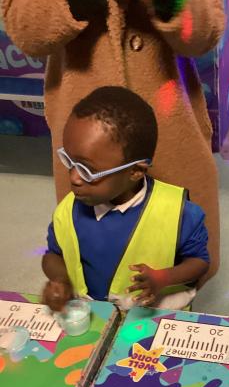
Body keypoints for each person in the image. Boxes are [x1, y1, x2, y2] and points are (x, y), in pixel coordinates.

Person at [1, 0, 223, 279]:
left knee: (179, 253)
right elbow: (27, 32)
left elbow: (204, 36)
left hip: (171, 126)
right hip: (85, 130)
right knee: (87, 258)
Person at [42, 86, 209, 313]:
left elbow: (199, 262)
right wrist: (61, 280)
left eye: (88, 170)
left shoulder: (180, 213)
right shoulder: (68, 211)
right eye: (69, 161)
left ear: (135, 171)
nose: (73, 178)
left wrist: (164, 277)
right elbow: (52, 255)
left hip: (150, 316)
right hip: (92, 316)